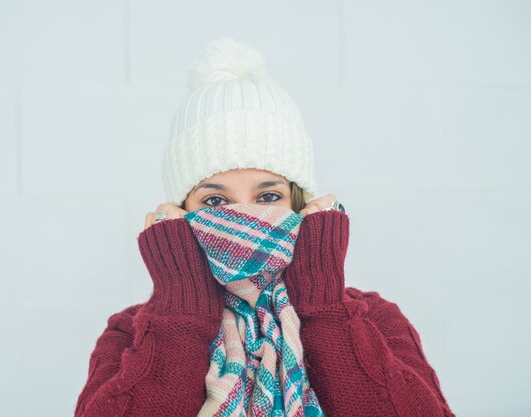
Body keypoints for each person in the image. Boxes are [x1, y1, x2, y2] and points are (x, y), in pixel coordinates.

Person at [73, 38, 456, 417]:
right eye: (215, 202)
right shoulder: (132, 332)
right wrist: (180, 309)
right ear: (179, 212)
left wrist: (323, 305)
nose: (243, 217)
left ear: (301, 204)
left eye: (269, 197)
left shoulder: (373, 318)